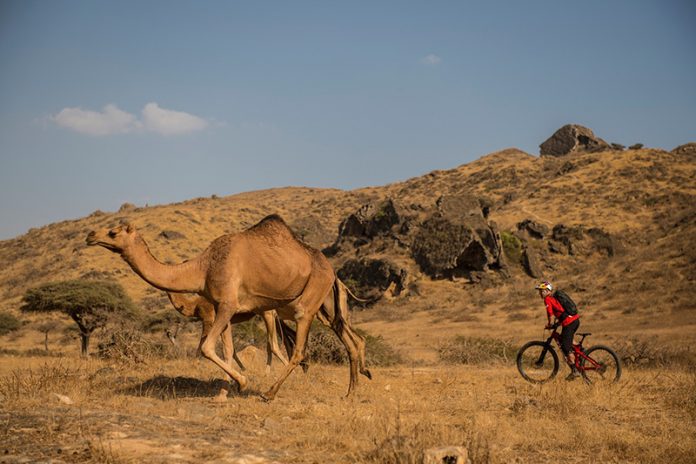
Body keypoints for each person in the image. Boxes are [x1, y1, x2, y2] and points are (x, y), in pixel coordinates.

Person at [535, 281, 581, 380]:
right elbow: (560, 312)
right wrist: (557, 323)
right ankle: (581, 353)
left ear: (548, 291)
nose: (540, 293)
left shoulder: (548, 299)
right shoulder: (554, 298)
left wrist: (550, 324)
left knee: (565, 346)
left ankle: (575, 370)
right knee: (567, 340)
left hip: (569, 322)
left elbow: (550, 314)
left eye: (541, 291)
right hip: (574, 320)